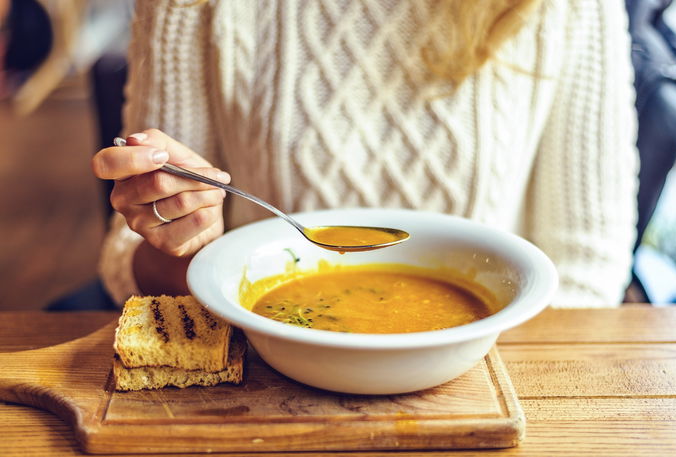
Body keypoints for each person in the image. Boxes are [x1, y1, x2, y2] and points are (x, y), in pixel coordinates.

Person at [92, 0, 639, 308]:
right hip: (263, 373)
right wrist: (178, 234)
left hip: (488, 377)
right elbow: (130, 260)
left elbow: (586, 268)